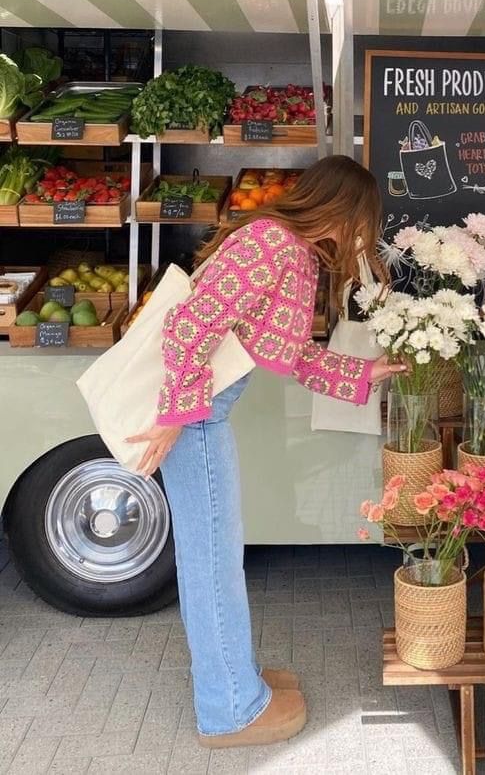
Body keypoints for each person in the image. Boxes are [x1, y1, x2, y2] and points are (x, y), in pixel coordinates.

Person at [126, 155, 402, 749]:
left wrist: (363, 373)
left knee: (217, 555)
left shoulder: (287, 248)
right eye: (364, 221)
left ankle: (238, 682)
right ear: (342, 210)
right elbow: (188, 328)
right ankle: (229, 710)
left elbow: (292, 354)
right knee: (211, 562)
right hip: (196, 419)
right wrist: (176, 418)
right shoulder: (272, 245)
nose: (364, 236)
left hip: (200, 415)